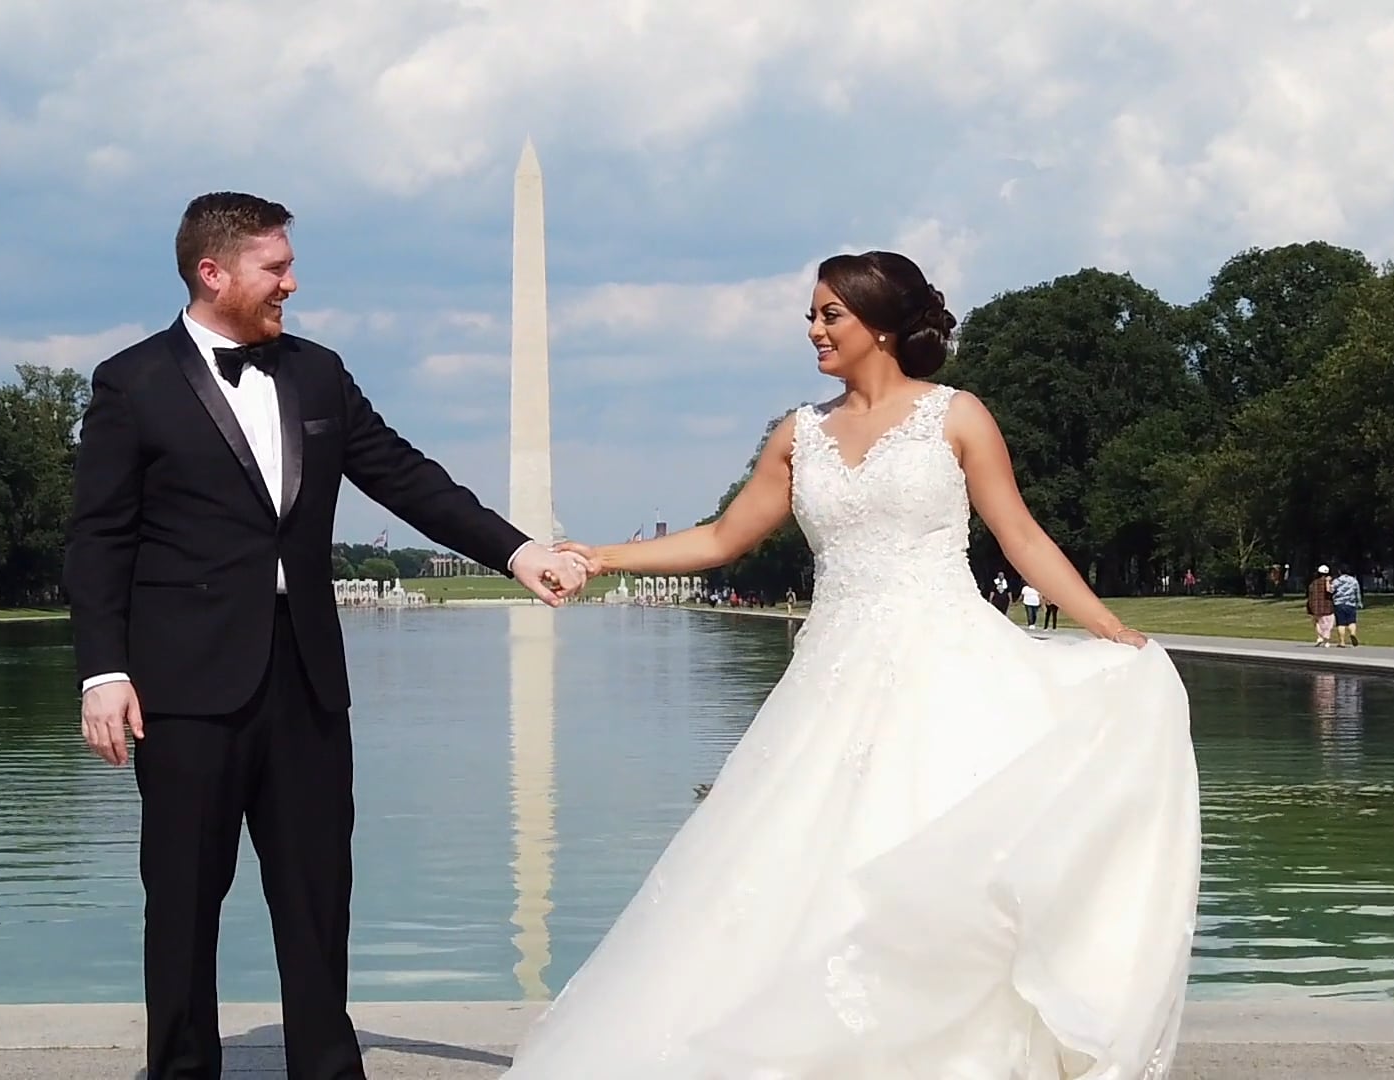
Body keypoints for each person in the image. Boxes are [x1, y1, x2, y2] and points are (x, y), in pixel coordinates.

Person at [514, 251, 1200, 1077]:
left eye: (829, 315)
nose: (813, 331)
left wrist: (1105, 626)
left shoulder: (958, 417)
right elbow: (724, 539)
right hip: (832, 675)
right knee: (802, 865)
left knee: (939, 861)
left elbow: (1020, 536)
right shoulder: (798, 435)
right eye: (811, 315)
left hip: (949, 669)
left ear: (880, 323)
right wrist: (604, 555)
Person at [62, 192, 588, 1080]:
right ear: (213, 272)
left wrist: (516, 549)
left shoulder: (318, 372)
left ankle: (329, 1068)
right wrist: (102, 671)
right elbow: (99, 536)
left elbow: (407, 478)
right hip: (182, 686)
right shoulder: (132, 381)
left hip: (305, 675)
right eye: (275, 267)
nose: (291, 283)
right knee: (184, 898)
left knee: (317, 895)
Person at [1330, 567, 1363, 647]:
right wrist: (1359, 602)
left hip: (1339, 604)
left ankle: (1342, 642)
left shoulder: (1336, 581)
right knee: (1352, 621)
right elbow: (1357, 592)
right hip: (1351, 604)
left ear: (1340, 571)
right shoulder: (1354, 581)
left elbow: (1331, 591)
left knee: (1341, 623)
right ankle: (1352, 633)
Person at [1305, 565, 1335, 646]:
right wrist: (1328, 582)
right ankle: (1326, 639)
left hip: (1314, 606)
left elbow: (1310, 594)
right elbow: (1330, 591)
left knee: (1317, 622)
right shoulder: (1328, 581)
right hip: (1326, 606)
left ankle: (1319, 637)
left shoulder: (1313, 583)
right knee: (1328, 622)